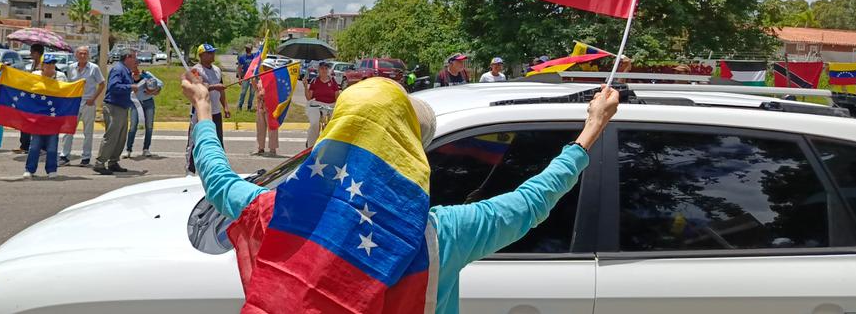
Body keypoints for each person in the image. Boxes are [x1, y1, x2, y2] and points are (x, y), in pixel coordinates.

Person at [182, 74, 619, 313]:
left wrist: (203, 108)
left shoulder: (273, 210)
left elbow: (218, 178)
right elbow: (529, 203)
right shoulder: (440, 238)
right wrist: (591, 131)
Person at [185, 43, 230, 174]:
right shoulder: (195, 70)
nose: (212, 55)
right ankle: (190, 169)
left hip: (215, 111)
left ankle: (217, 169)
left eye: (213, 52)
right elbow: (197, 87)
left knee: (218, 142)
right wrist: (214, 86)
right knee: (195, 141)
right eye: (209, 53)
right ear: (201, 55)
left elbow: (221, 89)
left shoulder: (217, 69)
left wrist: (225, 106)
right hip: (200, 112)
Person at [94, 49, 137, 175]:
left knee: (121, 137)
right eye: (134, 57)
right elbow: (113, 86)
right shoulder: (118, 69)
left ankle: (113, 161)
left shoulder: (126, 70)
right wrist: (130, 87)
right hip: (114, 107)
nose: (136, 60)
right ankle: (100, 162)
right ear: (127, 57)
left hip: (122, 107)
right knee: (112, 136)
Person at [61, 45, 105, 166]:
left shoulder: (94, 68)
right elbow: (69, 84)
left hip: (88, 103)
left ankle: (86, 157)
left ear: (88, 55)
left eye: (85, 53)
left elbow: (102, 84)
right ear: (76, 55)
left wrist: (93, 98)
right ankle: (64, 156)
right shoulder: (71, 68)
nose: (82, 55)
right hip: (74, 103)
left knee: (88, 132)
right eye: (80, 53)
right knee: (68, 130)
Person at [23, 55, 66, 179]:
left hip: (54, 115)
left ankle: (52, 169)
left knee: (52, 144)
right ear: (42, 65)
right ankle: (29, 169)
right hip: (38, 115)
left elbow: (67, 92)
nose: (50, 66)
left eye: (52, 63)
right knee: (35, 144)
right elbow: (25, 86)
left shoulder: (61, 76)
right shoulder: (35, 75)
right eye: (47, 64)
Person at [125, 61, 162, 158]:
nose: (134, 67)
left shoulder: (146, 74)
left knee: (149, 126)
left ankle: (146, 149)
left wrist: (153, 91)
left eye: (135, 65)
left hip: (148, 102)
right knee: (133, 126)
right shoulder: (128, 76)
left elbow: (160, 83)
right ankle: (128, 149)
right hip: (135, 104)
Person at [14, 44, 46, 154]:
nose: (30, 54)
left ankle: (41, 146)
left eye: (32, 52)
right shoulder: (34, 63)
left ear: (37, 53)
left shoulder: (43, 64)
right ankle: (24, 145)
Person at [304, 60, 340, 148]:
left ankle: (330, 145)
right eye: (322, 68)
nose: (324, 70)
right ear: (318, 70)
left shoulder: (333, 82)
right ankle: (311, 146)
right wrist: (305, 87)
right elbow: (309, 97)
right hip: (317, 104)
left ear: (328, 70)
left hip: (330, 105)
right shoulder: (314, 81)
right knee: (314, 123)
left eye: (326, 68)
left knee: (333, 124)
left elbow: (337, 97)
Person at [253, 75, 279, 157]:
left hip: (270, 106)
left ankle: (272, 148)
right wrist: (253, 81)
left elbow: (273, 91)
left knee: (272, 127)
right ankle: (260, 147)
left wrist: (263, 94)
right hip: (261, 105)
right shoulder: (260, 79)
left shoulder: (273, 79)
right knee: (260, 127)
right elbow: (257, 90)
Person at [236, 44, 257, 111]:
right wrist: (239, 78)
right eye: (246, 48)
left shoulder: (255, 57)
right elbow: (239, 68)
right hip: (245, 77)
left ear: (251, 49)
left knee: (252, 93)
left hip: (253, 77)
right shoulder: (242, 57)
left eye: (249, 48)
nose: (247, 49)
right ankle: (240, 106)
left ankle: (249, 107)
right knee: (243, 92)